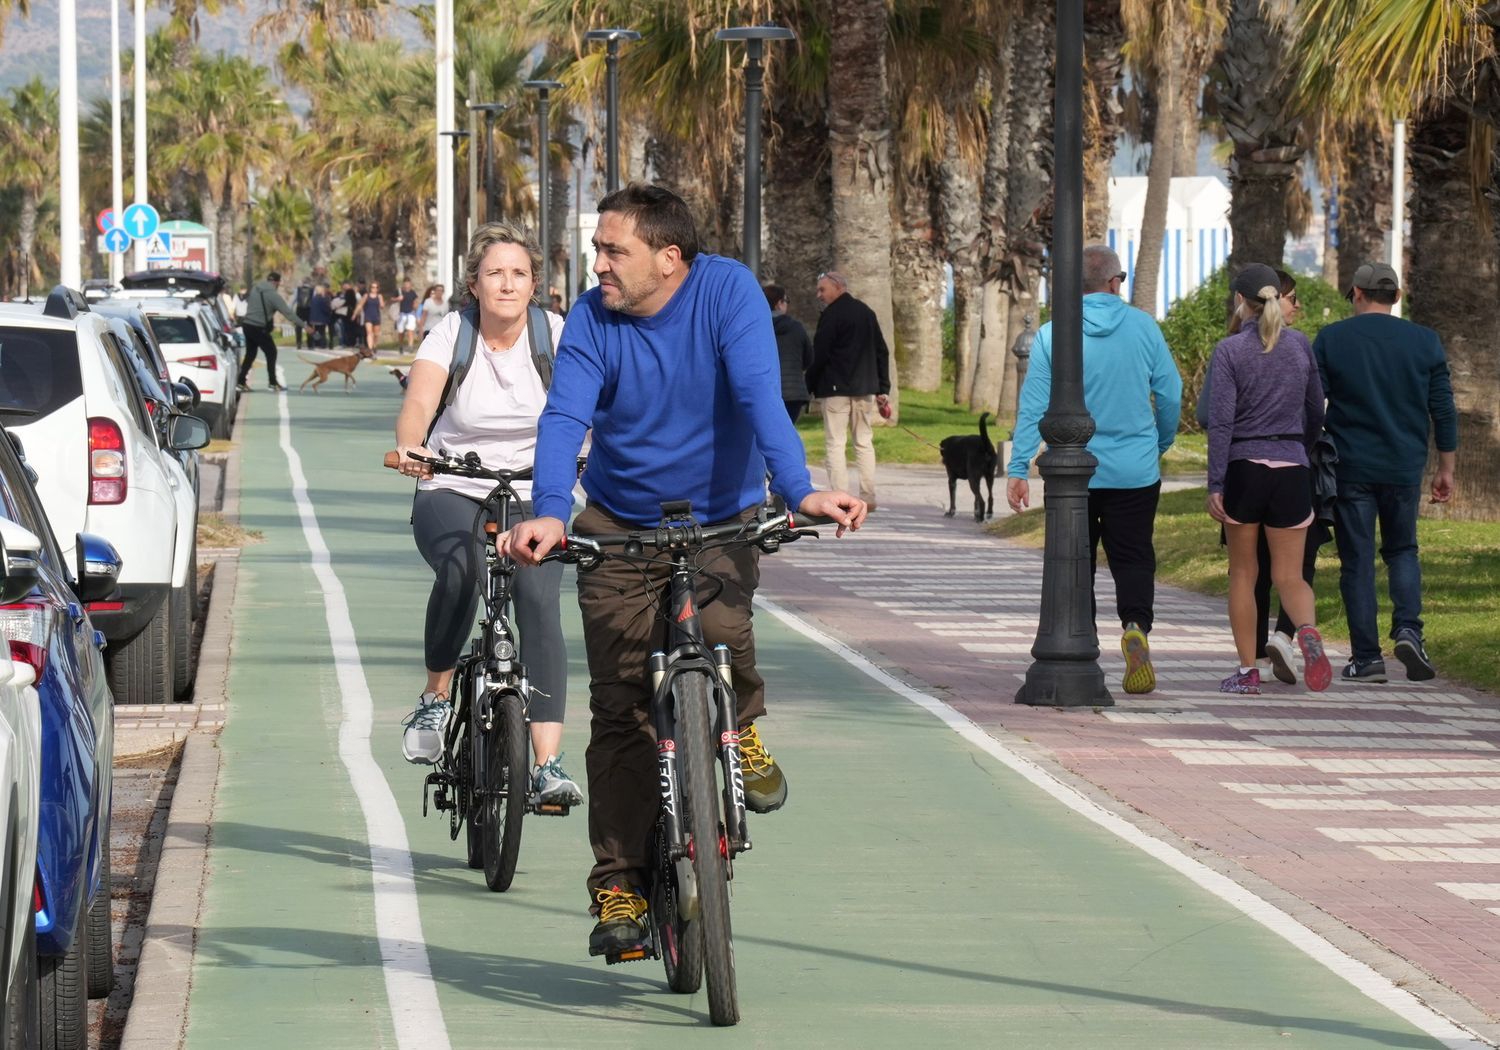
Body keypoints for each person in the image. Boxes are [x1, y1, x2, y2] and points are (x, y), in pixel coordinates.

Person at [498, 183, 865, 958]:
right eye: (597, 248)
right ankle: (621, 884)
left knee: (725, 633)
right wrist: (551, 510)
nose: (596, 264)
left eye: (612, 250)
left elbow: (760, 394)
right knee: (623, 705)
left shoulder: (726, 291)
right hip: (620, 521)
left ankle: (742, 727)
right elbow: (566, 416)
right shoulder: (595, 319)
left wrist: (799, 491)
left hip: (721, 515)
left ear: (670, 259)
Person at [391, 221, 581, 806]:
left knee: (538, 601)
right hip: (454, 483)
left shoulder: (557, 334)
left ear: (534, 285)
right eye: (494, 273)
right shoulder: (453, 333)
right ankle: (436, 696)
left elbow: (588, 408)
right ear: (473, 283)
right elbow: (420, 400)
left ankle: (546, 765)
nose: (507, 284)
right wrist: (412, 447)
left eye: (519, 273)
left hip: (537, 490)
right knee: (463, 571)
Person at [1005, 244, 1182, 695]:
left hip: (1071, 471)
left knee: (1075, 561)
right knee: (1134, 555)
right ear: (1115, 282)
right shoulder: (1144, 328)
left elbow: (1033, 404)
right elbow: (1171, 392)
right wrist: (1159, 441)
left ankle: (1083, 640)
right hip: (1134, 469)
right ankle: (1136, 625)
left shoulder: (1053, 334)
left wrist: (1019, 465)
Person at [1313, 261, 1458, 683]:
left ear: (1357, 293)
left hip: (1350, 465)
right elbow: (1444, 410)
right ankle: (1410, 629)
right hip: (1404, 465)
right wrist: (1445, 467)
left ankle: (1366, 658)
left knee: (1356, 560)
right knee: (1402, 550)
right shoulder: (1425, 342)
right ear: (1396, 297)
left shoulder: (1332, 339)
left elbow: (1311, 403)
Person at [1197, 270, 1332, 685]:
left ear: (1241, 299)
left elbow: (1220, 423)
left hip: (1244, 467)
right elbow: (1315, 411)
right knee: (1290, 575)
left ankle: (1247, 671)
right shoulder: (1300, 345)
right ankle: (1305, 631)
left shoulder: (1230, 350)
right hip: (1292, 466)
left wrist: (1216, 483)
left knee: (1244, 573)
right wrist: (1299, 449)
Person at [807, 271, 890, 508]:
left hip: (835, 391)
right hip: (865, 389)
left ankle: (841, 498)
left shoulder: (831, 316)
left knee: (835, 443)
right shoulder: (866, 313)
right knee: (863, 442)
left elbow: (820, 354)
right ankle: (868, 497)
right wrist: (883, 388)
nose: (819, 295)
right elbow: (881, 351)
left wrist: (810, 385)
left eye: (822, 289)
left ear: (838, 287)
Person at [236, 271, 302, 392]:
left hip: (247, 325)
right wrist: (304, 326)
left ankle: (240, 382)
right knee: (271, 352)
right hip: (258, 327)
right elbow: (288, 313)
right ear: (277, 282)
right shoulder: (272, 295)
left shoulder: (256, 289)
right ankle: (272, 383)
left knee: (250, 354)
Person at [764, 283, 813, 422]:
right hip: (793, 392)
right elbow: (809, 358)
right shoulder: (796, 328)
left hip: (767, 390)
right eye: (786, 301)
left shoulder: (757, 328)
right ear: (779, 303)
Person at [358, 280, 385, 354]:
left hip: (376, 316)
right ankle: (370, 348)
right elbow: (360, 305)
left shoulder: (379, 296)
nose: (374, 289)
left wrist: (381, 302)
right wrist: (357, 314)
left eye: (376, 287)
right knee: (369, 333)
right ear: (370, 288)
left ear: (378, 289)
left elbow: (382, 306)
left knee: (376, 334)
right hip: (368, 317)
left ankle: (374, 345)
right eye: (373, 287)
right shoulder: (366, 295)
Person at [396, 278, 420, 351]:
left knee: (410, 330)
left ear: (410, 284)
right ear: (403, 284)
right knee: (401, 331)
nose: (407, 285)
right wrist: (397, 299)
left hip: (411, 313)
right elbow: (391, 300)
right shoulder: (399, 292)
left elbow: (415, 302)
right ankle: (400, 345)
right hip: (401, 313)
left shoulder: (413, 293)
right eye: (405, 284)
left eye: (408, 284)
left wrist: (416, 312)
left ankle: (410, 346)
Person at [307, 283, 332, 349]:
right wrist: (329, 311)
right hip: (321, 319)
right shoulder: (322, 299)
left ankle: (316, 343)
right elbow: (325, 309)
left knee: (316, 331)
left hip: (313, 318)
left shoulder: (313, 299)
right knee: (322, 332)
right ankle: (323, 344)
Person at [336, 281, 361, 348]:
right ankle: (349, 342)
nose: (344, 287)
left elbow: (348, 302)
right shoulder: (344, 293)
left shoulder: (350, 292)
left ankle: (351, 342)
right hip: (348, 313)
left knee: (350, 328)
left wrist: (340, 306)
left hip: (349, 312)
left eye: (346, 285)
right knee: (348, 328)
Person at [293, 276, 314, 349]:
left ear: (303, 282)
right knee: (310, 326)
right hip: (309, 309)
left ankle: (299, 343)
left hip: (300, 309)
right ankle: (310, 344)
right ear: (309, 282)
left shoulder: (297, 289)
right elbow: (314, 300)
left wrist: (289, 308)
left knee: (298, 327)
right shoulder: (312, 290)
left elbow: (294, 299)